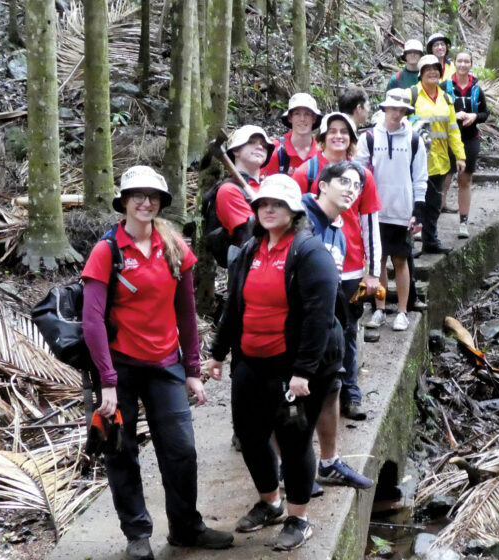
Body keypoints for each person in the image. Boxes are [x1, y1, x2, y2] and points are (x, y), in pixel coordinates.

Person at [82, 166, 233, 560]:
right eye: (137, 195)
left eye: (153, 196)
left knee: (181, 449)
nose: (145, 202)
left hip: (166, 364)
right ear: (124, 202)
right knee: (121, 450)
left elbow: (186, 312)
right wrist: (108, 381)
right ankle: (137, 534)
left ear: (162, 203)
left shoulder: (174, 246)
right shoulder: (107, 251)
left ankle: (186, 528)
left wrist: (193, 371)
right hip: (121, 368)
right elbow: (92, 320)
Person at [206, 175, 345, 552]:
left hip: (293, 365)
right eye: (263, 204)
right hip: (251, 359)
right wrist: (218, 354)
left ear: (294, 212)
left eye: (278, 205)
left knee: (294, 440)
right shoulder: (251, 249)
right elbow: (234, 307)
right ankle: (271, 502)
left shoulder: (309, 252)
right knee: (250, 435)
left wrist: (303, 372)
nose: (269, 210)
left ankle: (299, 518)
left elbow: (319, 316)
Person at [293, 112, 382, 425]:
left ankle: (349, 390)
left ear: (352, 140)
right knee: (308, 329)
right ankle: (304, 394)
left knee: (347, 330)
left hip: (352, 269)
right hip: (311, 270)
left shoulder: (363, 177)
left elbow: (371, 222)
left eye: (345, 132)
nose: (338, 136)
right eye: (332, 131)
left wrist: (373, 272)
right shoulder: (308, 171)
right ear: (322, 137)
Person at [356, 89, 428, 332]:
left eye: (402, 110)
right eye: (393, 108)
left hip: (402, 209)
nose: (397, 113)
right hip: (375, 210)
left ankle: (403, 311)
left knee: (400, 259)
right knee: (378, 260)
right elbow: (359, 173)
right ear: (384, 108)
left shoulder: (414, 139)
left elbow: (420, 177)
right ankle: (379, 308)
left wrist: (418, 209)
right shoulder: (369, 138)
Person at [411, 54, 466, 254]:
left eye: (436, 69)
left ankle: (430, 240)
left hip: (439, 160)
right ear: (421, 74)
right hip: (415, 161)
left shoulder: (446, 98)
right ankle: (408, 244)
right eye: (428, 70)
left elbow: (452, 129)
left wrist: (460, 155)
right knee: (414, 204)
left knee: (434, 204)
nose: (433, 73)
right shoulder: (412, 95)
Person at [445, 51, 489, 238]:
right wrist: (452, 116)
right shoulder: (444, 87)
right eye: (459, 61)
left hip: (470, 138)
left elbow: (485, 113)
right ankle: (432, 222)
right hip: (447, 139)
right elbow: (437, 112)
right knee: (442, 179)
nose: (463, 64)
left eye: (466, 61)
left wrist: (474, 116)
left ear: (471, 64)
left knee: (465, 179)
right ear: (454, 63)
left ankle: (463, 222)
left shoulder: (477, 88)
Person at [215, 125, 273, 259]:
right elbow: (252, 234)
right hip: (252, 263)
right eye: (251, 142)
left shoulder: (270, 185)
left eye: (264, 145)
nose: (259, 147)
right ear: (236, 150)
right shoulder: (228, 190)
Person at [263, 93, 323, 176]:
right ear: (290, 118)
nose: (302, 119)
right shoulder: (276, 149)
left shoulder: (321, 152)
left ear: (314, 118)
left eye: (307, 114)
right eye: (297, 114)